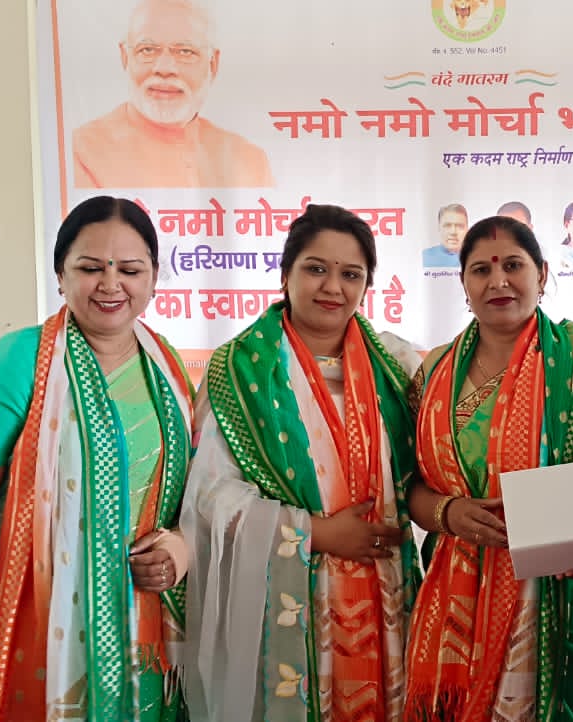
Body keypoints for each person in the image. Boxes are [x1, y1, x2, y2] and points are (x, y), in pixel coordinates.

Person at [0, 196, 196, 721]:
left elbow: (185, 499)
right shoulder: (12, 363)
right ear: (60, 275)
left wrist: (178, 547)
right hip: (37, 634)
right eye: (91, 268)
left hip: (143, 640)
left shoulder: (167, 369)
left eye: (130, 270)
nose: (111, 284)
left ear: (153, 278)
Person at [402, 216, 573, 720]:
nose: (497, 281)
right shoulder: (434, 372)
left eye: (513, 265)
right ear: (464, 284)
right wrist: (448, 513)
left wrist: (561, 527)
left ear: (542, 274)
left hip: (571, 601)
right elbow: (408, 486)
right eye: (481, 269)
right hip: (458, 606)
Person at [181, 205, 422, 720]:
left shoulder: (400, 367)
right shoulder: (239, 371)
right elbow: (211, 495)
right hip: (286, 600)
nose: (332, 287)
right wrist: (315, 532)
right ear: (285, 273)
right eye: (316, 269)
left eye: (351, 274)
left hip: (389, 596)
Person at [71, 0, 273, 189]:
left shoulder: (248, 161)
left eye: (185, 52)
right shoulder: (83, 151)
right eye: (147, 50)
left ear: (213, 63)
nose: (165, 68)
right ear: (125, 57)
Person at [422, 203, 469, 268]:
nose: (453, 232)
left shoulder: (475, 256)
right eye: (447, 226)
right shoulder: (424, 257)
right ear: (439, 227)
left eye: (459, 226)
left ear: (467, 229)